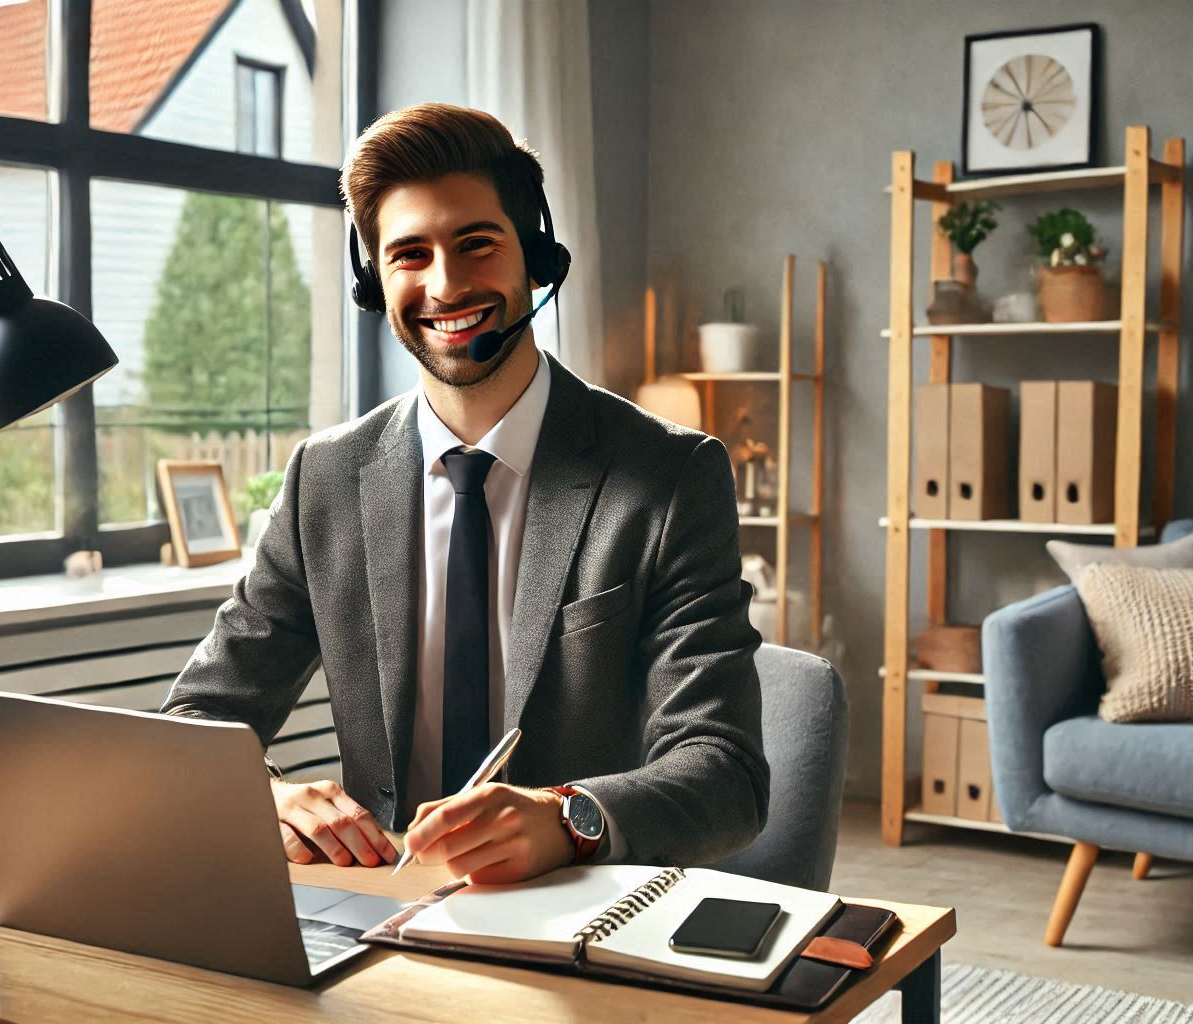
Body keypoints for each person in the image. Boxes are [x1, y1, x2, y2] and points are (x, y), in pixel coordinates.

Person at [162, 103, 766, 885]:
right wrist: (262, 796)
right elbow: (198, 716)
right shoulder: (326, 479)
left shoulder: (670, 479)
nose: (446, 285)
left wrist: (566, 818)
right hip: (378, 912)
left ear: (535, 257)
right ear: (371, 280)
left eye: (476, 244)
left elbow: (726, 775)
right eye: (409, 254)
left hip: (575, 909)